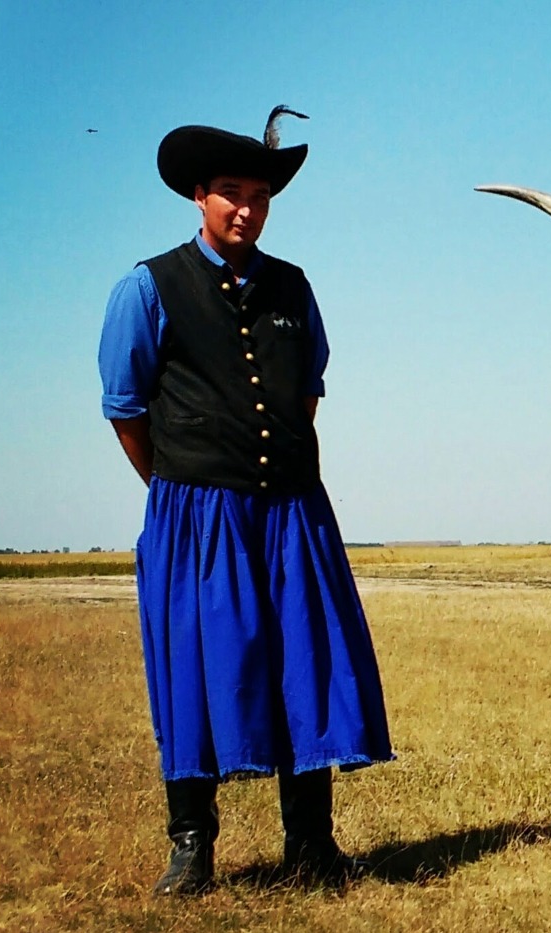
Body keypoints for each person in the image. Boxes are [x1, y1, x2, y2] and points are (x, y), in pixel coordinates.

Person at [97, 107, 393, 895]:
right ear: (199, 194)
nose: (246, 211)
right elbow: (124, 407)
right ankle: (192, 849)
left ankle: (312, 847)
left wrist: (279, 476)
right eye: (231, 193)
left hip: (292, 512)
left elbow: (306, 395)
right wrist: (176, 483)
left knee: (306, 666)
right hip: (196, 517)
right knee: (197, 674)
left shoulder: (292, 287)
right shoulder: (148, 286)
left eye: (259, 196)